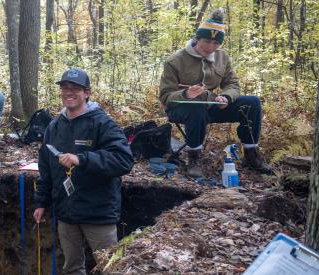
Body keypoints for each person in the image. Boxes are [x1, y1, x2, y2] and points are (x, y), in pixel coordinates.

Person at [32, 68, 134, 275]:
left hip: (98, 213)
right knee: (72, 267)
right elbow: (46, 169)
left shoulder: (103, 124)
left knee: (110, 267)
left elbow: (123, 161)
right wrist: (41, 202)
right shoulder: (54, 127)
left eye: (75, 89)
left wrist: (82, 159)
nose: (69, 93)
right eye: (65, 88)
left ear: (87, 93)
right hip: (66, 212)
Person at [159, 8, 272, 178]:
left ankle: (251, 153)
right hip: (181, 108)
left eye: (216, 43)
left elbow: (232, 84)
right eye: (207, 42)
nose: (211, 47)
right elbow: (165, 97)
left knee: (252, 103)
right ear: (197, 38)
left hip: (211, 106)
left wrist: (226, 97)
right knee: (195, 108)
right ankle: (194, 158)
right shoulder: (175, 60)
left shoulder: (222, 57)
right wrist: (186, 94)